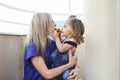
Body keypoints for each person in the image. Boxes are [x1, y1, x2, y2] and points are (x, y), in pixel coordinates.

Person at [23, 12, 77, 80]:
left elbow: (64, 59)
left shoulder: (52, 43)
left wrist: (73, 71)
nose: (55, 24)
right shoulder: (33, 47)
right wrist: (69, 65)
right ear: (44, 25)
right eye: (52, 21)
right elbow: (47, 74)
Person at [51, 15, 85, 80]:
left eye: (65, 27)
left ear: (74, 31)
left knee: (69, 77)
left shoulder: (73, 41)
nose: (62, 28)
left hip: (65, 71)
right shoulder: (67, 40)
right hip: (58, 69)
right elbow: (61, 45)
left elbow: (61, 49)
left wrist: (56, 38)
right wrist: (59, 37)